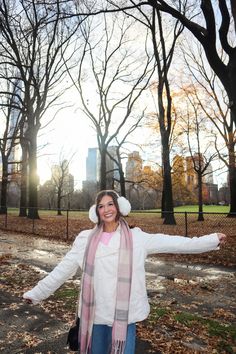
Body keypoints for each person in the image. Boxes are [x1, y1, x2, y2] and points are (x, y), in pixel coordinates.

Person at [23, 190, 226, 354]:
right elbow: (62, 270)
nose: (106, 209)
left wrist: (211, 240)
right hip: (95, 315)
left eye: (110, 203)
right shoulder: (85, 239)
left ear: (119, 207)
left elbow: (176, 243)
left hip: (124, 316)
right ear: (96, 212)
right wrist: (36, 293)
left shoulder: (137, 238)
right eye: (101, 206)